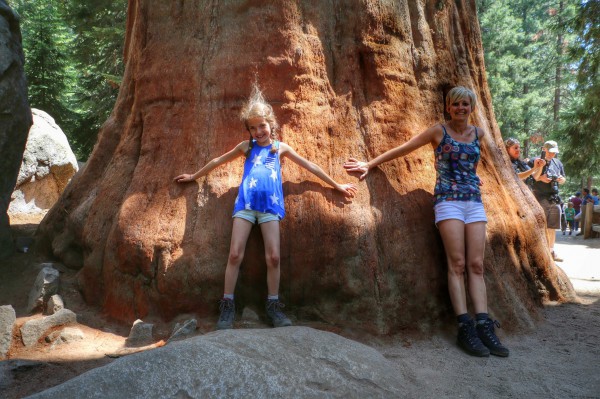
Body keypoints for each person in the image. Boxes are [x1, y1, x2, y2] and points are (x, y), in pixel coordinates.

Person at [344, 86, 509, 358]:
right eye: (455, 104)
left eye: (465, 104)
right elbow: (405, 148)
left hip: (474, 202)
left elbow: (473, 164)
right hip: (448, 202)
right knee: (456, 264)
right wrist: (370, 164)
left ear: (472, 107)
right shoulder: (438, 131)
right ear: (448, 107)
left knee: (476, 265)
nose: (460, 108)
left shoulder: (478, 133)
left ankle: (484, 324)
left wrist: (471, 176)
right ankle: (464, 326)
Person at [174, 87, 357, 330]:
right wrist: (194, 175)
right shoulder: (245, 148)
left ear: (271, 124)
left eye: (262, 126)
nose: (258, 132)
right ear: (248, 130)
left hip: (270, 207)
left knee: (273, 257)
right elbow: (218, 161)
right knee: (235, 254)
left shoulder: (280, 148)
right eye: (253, 128)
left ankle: (273, 306)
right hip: (246, 205)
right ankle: (227, 305)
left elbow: (310, 166)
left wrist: (336, 185)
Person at [530, 140, 566, 262]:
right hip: (539, 198)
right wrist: (541, 177)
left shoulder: (558, 163)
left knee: (552, 227)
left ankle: (551, 252)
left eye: (554, 153)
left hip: (554, 198)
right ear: (543, 149)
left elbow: (563, 179)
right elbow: (533, 177)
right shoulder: (535, 161)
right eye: (549, 152)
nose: (551, 155)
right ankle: (539, 253)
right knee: (540, 225)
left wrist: (561, 180)